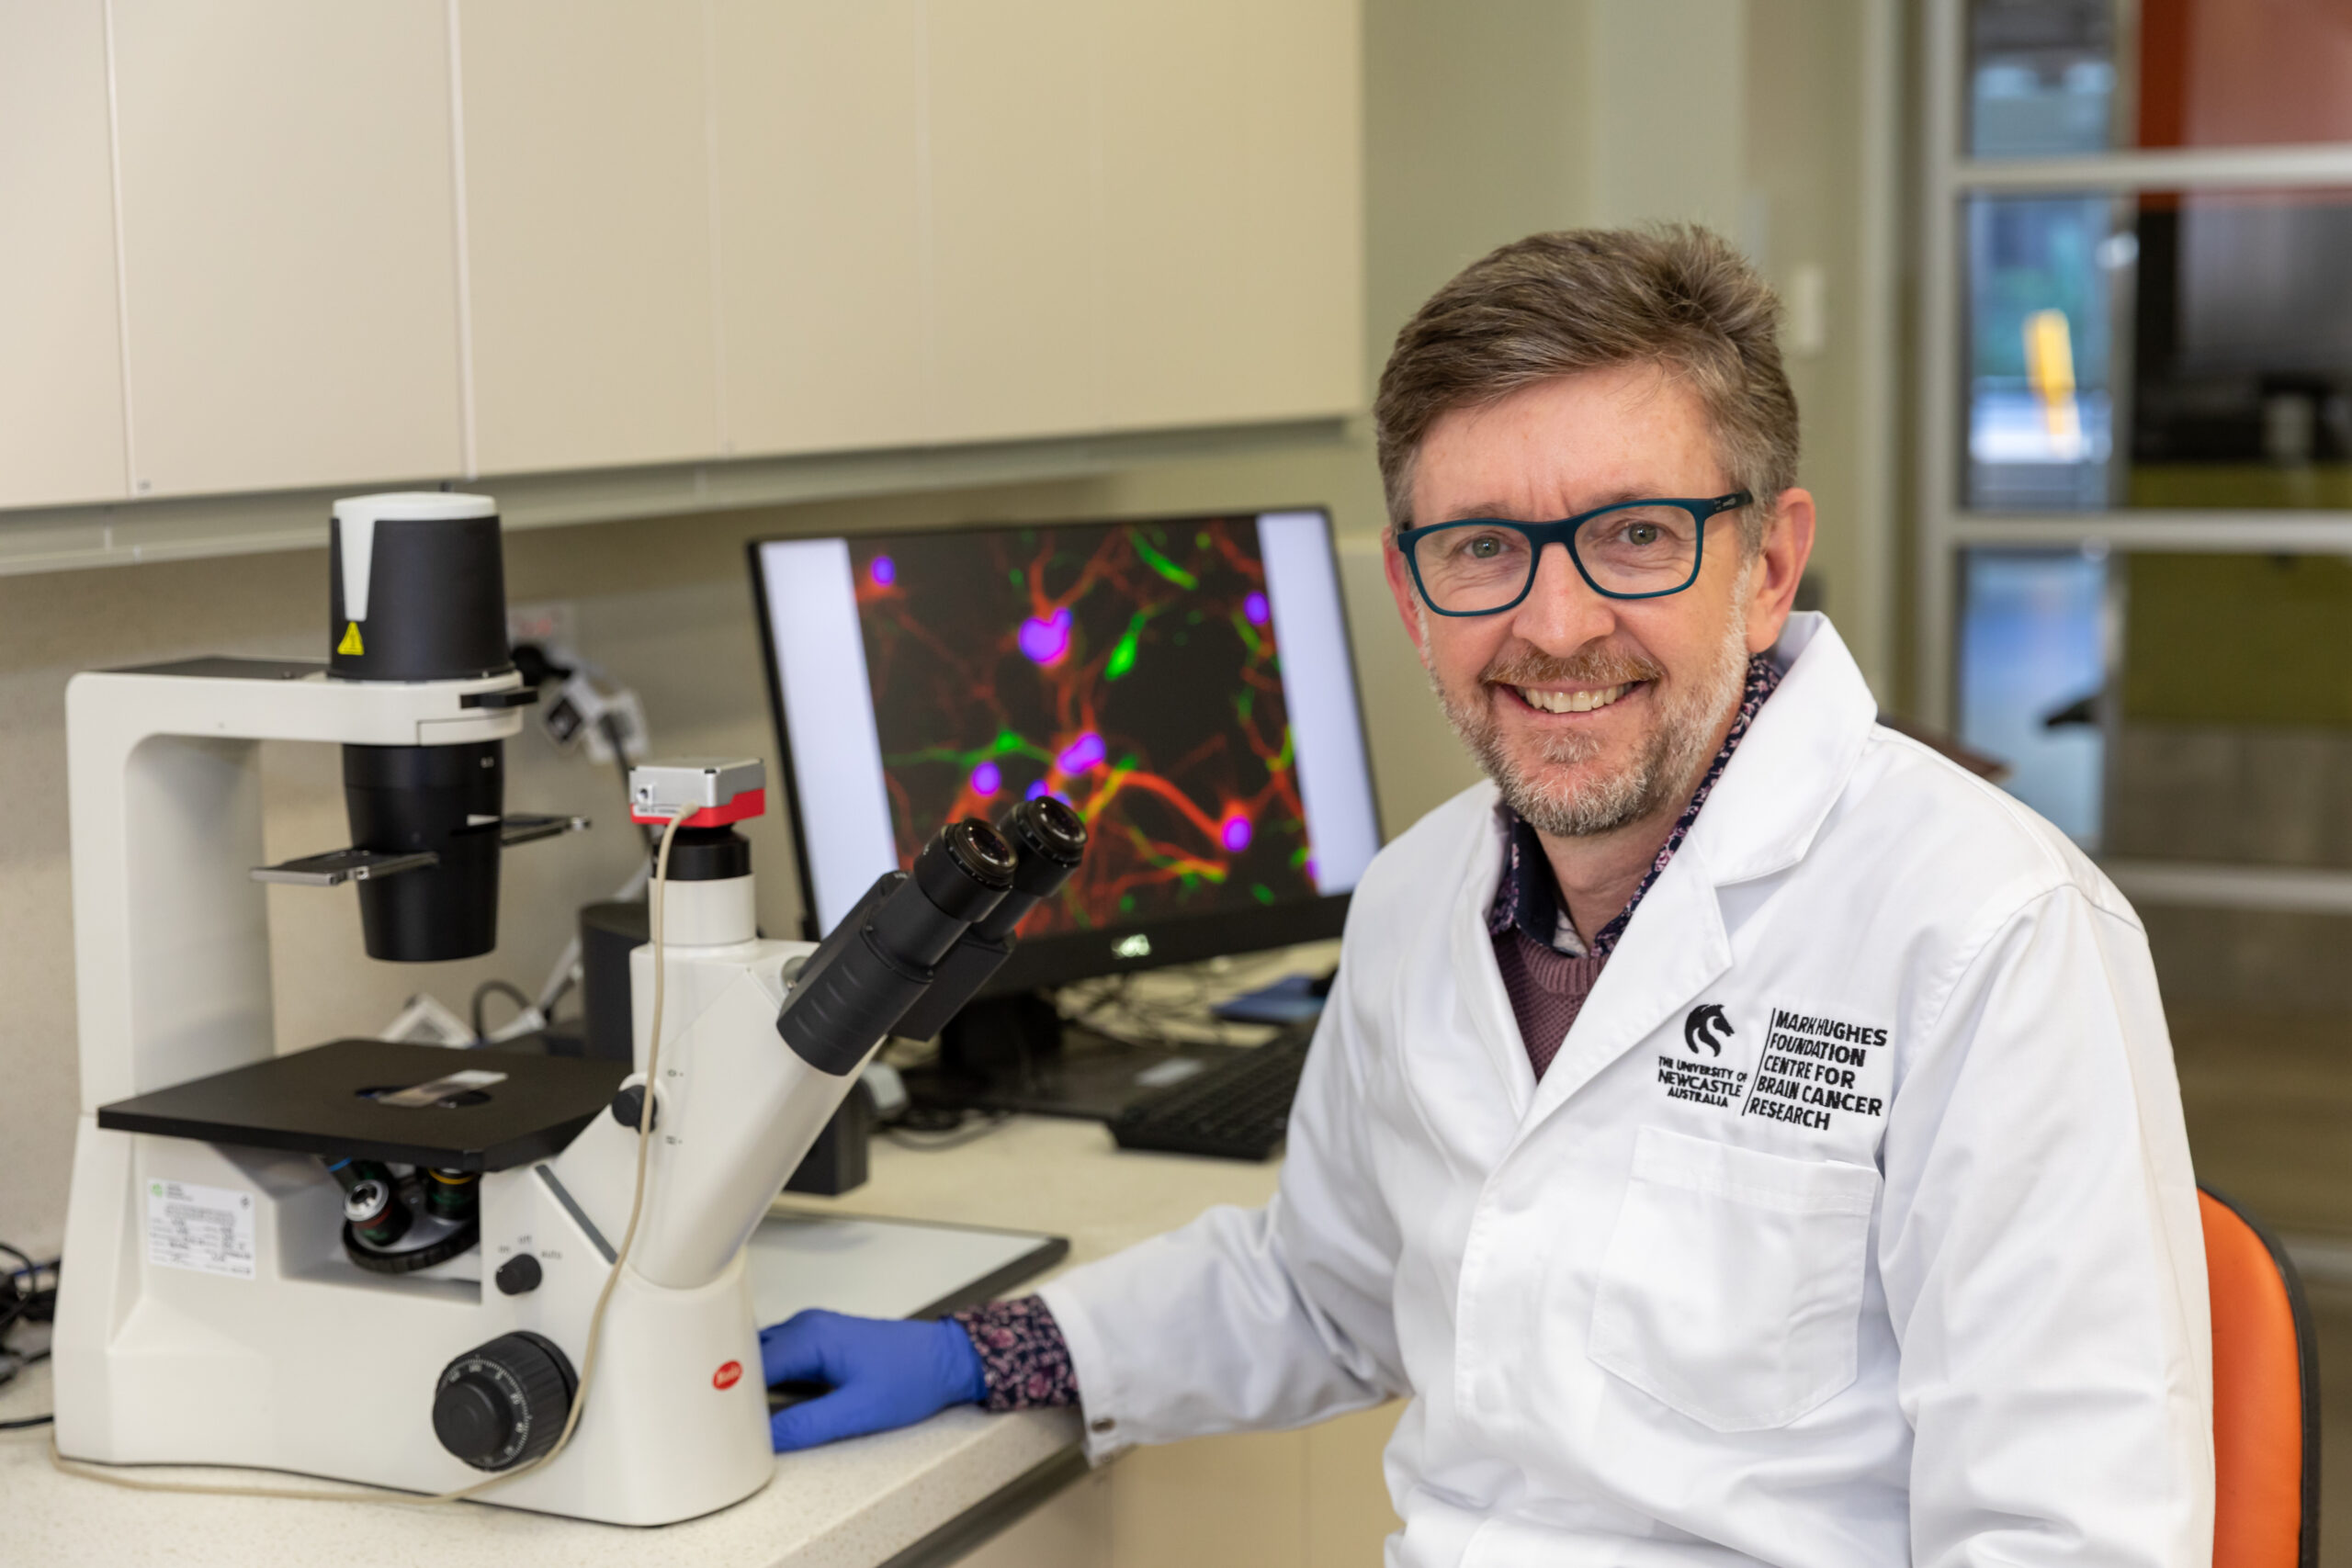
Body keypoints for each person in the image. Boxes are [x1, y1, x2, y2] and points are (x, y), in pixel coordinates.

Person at [758, 227, 2213, 1566]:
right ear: (1411, 596)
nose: (1557, 622)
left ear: (1767, 565)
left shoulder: (1989, 930)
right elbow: (1326, 1290)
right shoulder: (1416, 900)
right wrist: (989, 1355)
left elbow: (2068, 1536)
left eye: (1637, 533)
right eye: (1484, 548)